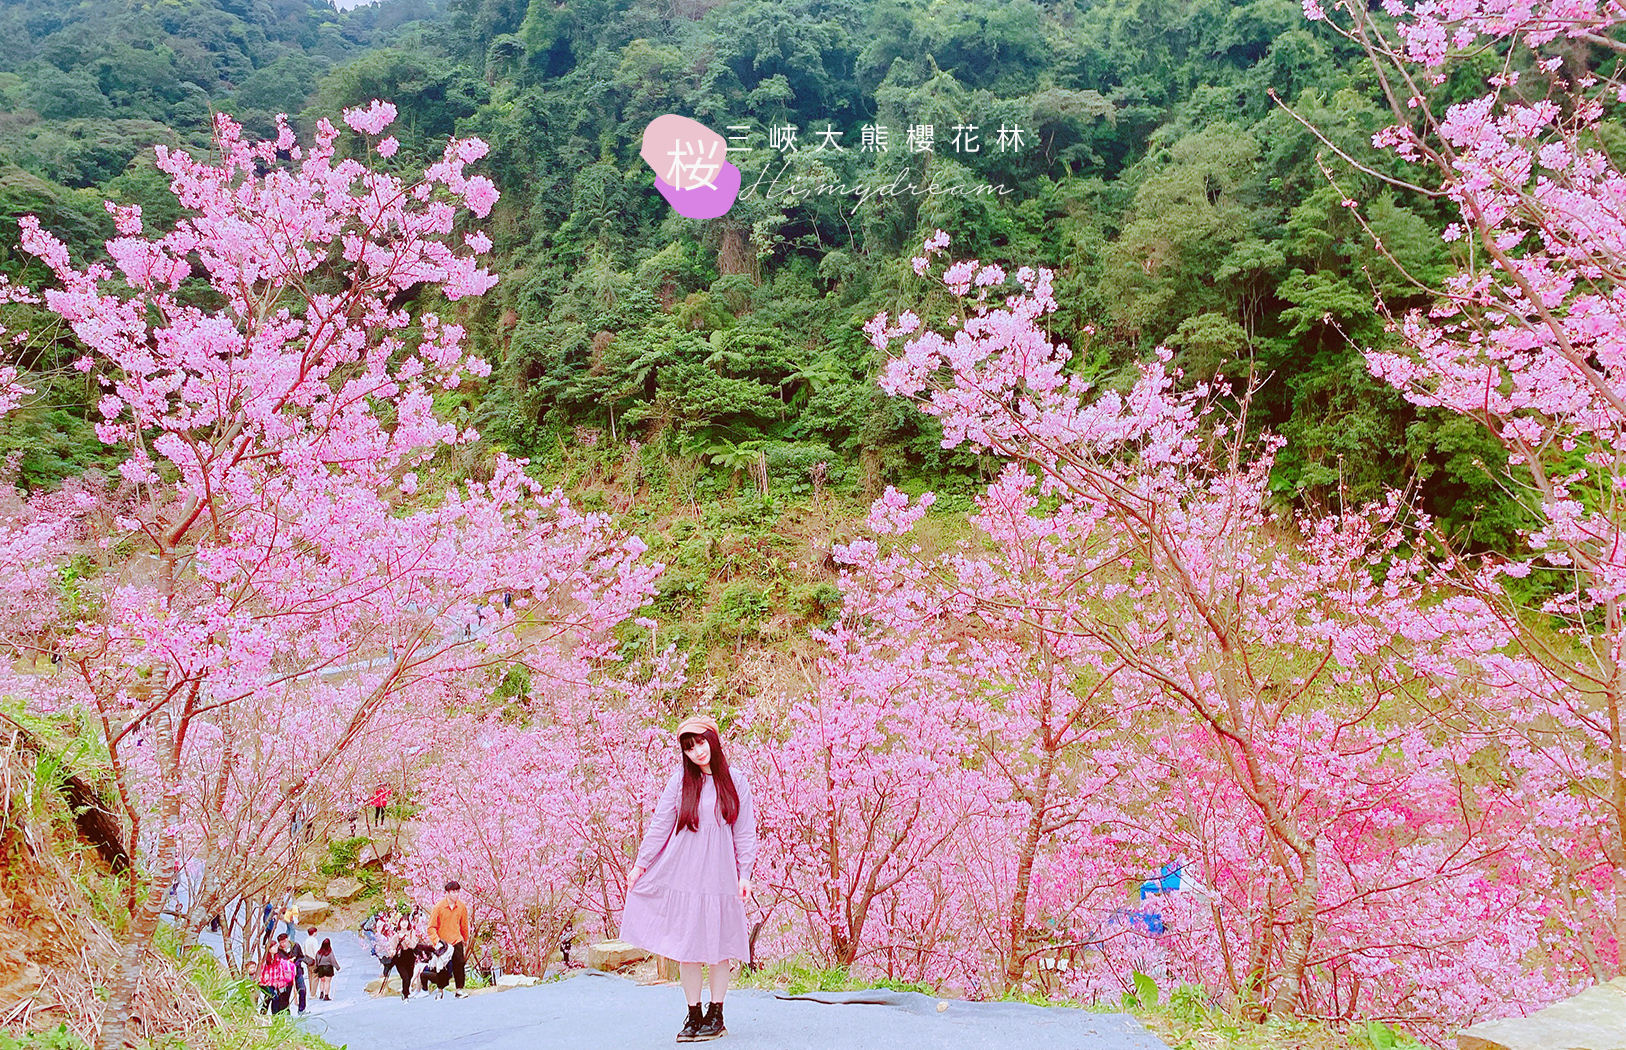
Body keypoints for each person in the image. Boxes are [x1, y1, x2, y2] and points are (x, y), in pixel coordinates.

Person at [620, 714, 757, 1043]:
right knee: (688, 947)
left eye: (701, 742)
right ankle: (693, 1013)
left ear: (713, 738)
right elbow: (660, 825)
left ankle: (717, 1013)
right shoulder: (681, 781)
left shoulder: (735, 781)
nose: (698, 751)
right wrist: (640, 865)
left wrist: (745, 873)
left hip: (721, 875)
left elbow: (745, 830)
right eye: (690, 747)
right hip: (684, 873)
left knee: (719, 947)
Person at [427, 880, 471, 998]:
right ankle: (440, 989)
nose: (456, 894)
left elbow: (464, 925)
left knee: (459, 964)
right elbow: (431, 927)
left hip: (457, 940)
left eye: (457, 891)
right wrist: (437, 942)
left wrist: (465, 938)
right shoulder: (439, 907)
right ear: (447, 892)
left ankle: (459, 989)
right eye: (453, 892)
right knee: (442, 967)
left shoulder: (461, 907)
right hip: (443, 943)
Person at [258, 942, 296, 1014]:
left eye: (276, 946)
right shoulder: (264, 960)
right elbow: (261, 972)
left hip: (275, 983)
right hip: (266, 983)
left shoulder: (278, 958)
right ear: (269, 949)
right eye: (274, 947)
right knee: (274, 997)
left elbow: (280, 971)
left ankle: (266, 1014)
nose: (276, 948)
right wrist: (264, 981)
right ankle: (272, 1015)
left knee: (269, 998)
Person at [390, 925, 422, 1000]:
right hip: (400, 959)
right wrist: (392, 952)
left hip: (410, 957)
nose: (404, 923)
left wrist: (406, 938)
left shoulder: (411, 933)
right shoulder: (396, 935)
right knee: (405, 977)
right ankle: (405, 994)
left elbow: (413, 945)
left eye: (406, 921)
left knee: (410, 975)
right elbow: (392, 947)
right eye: (402, 921)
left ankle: (406, 991)